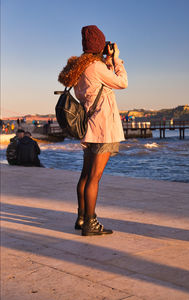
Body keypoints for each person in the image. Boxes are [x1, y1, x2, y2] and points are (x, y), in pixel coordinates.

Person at [58, 25, 128, 236]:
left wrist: (105, 61)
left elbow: (97, 85)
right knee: (94, 178)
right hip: (103, 128)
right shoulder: (96, 68)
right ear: (99, 45)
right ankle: (90, 223)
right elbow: (122, 82)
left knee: (86, 175)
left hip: (90, 127)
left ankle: (81, 217)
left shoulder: (80, 68)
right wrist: (116, 60)